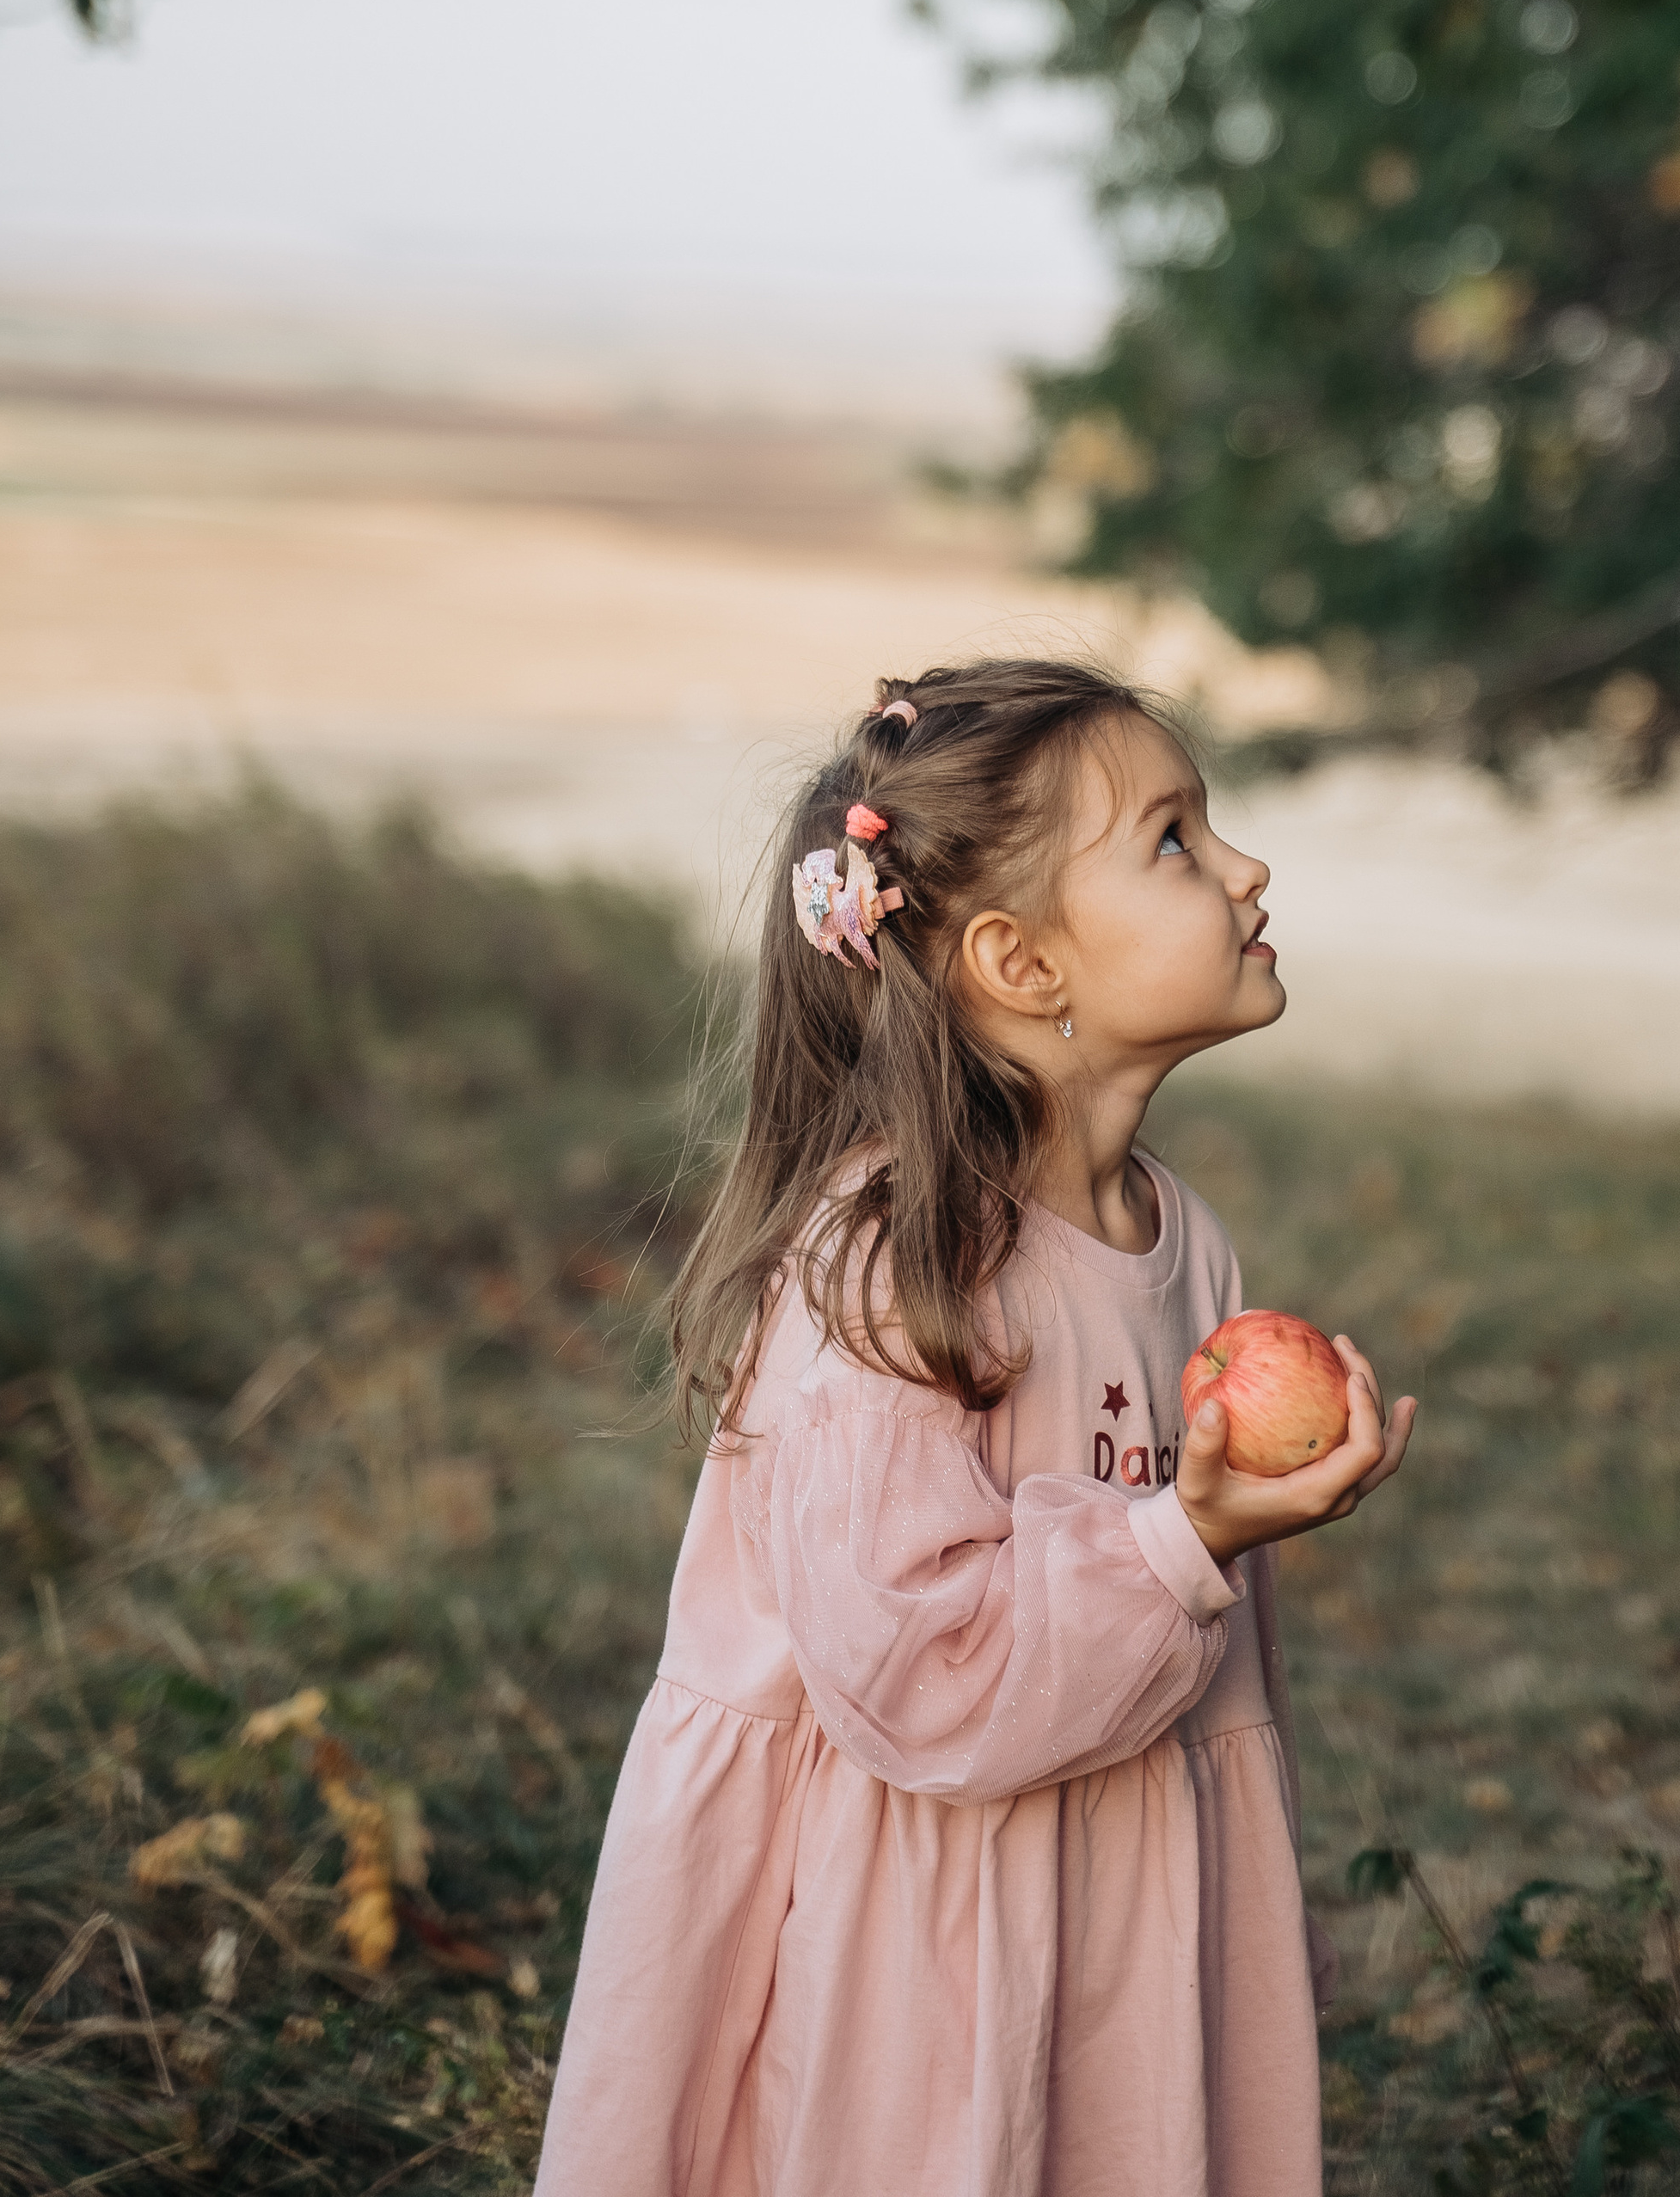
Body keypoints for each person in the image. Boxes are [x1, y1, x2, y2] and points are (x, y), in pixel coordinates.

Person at [533, 658, 1416, 2197]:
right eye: (1175, 840)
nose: (1247, 868)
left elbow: (1216, 1674)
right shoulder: (893, 1265)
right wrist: (1188, 1537)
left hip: (1132, 1890)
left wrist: (1247, 1885)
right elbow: (922, 1683)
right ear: (1020, 961)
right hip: (934, 1937)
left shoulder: (1184, 1239)